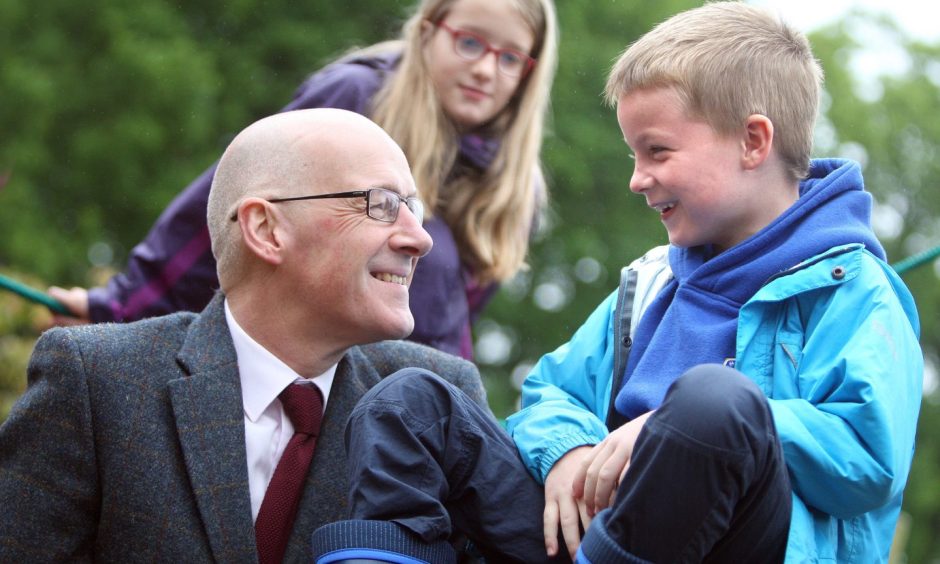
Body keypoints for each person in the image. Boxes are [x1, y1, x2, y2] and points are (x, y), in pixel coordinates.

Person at [310, 3, 923, 563]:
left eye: (656, 151)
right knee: (412, 400)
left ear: (752, 141)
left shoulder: (854, 290)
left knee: (715, 404)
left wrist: (669, 430)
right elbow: (551, 393)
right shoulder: (651, 283)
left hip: (731, 544)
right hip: (594, 537)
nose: (638, 178)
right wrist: (569, 451)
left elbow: (867, 458)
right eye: (633, 155)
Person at [0, 108, 496, 563]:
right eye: (382, 204)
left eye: (414, 207)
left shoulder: (440, 402)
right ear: (265, 228)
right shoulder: (97, 382)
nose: (420, 237)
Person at [48, 0, 558, 360]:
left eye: (511, 57)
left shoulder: (517, 189)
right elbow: (229, 212)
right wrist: (118, 310)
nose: (487, 70)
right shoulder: (356, 98)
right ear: (427, 30)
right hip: (309, 372)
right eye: (470, 42)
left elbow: (454, 321)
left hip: (415, 401)